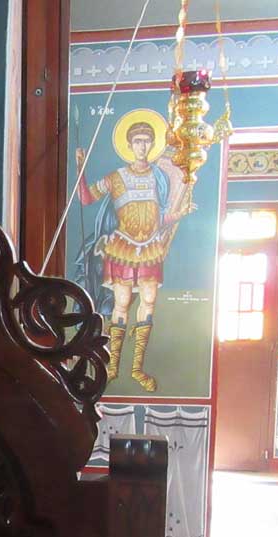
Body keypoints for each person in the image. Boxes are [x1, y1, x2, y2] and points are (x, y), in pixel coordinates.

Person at [75, 118, 191, 392]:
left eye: (147, 141)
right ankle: (113, 366)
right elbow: (87, 198)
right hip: (123, 248)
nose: (142, 146)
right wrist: (80, 168)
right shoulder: (116, 177)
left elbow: (160, 218)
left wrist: (179, 214)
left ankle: (137, 368)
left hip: (150, 248)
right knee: (122, 304)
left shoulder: (159, 177)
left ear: (152, 144)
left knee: (148, 303)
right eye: (138, 141)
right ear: (129, 145)